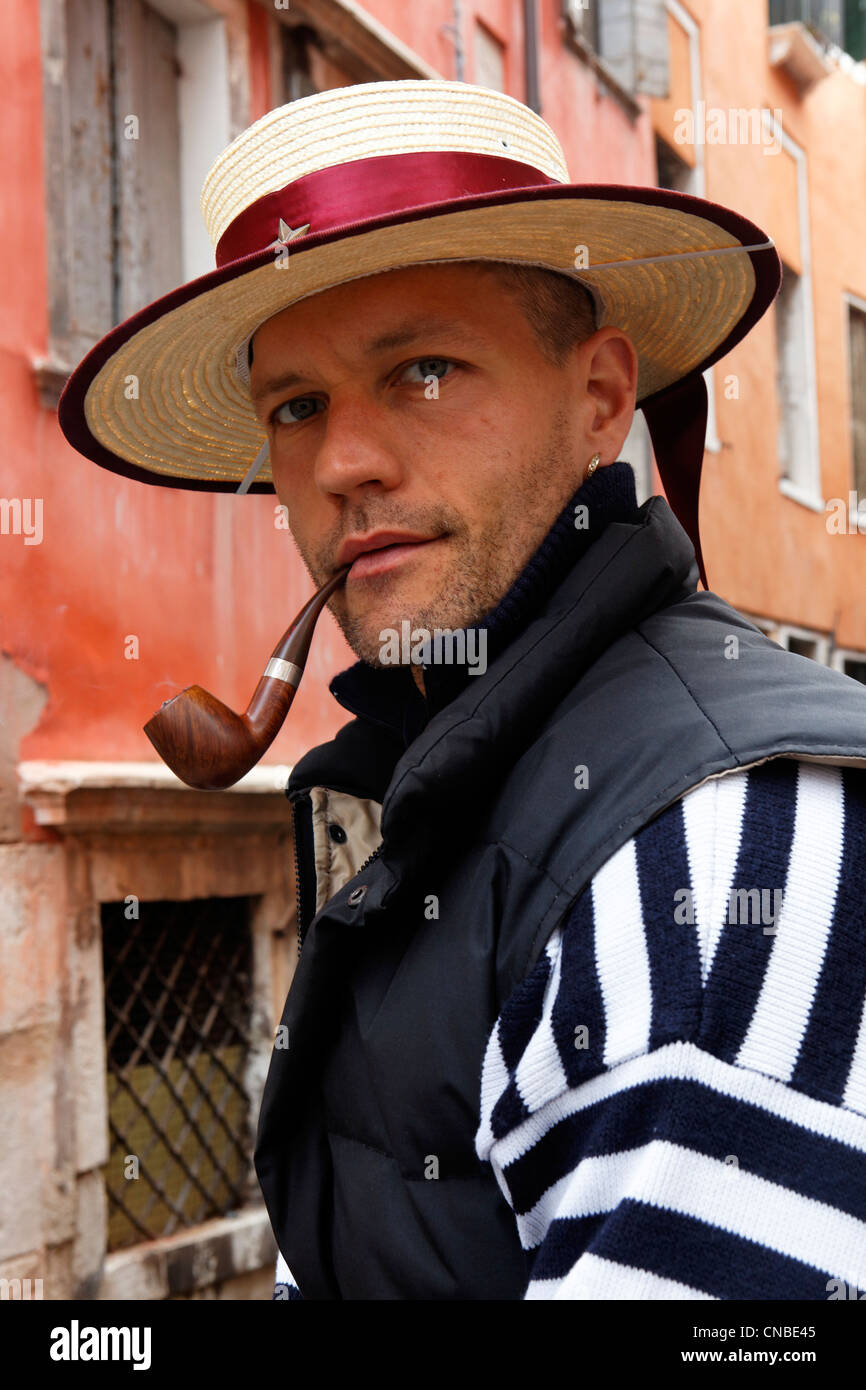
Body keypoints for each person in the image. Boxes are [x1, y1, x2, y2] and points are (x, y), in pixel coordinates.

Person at [59, 80, 866, 1301]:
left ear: (599, 397)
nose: (341, 464)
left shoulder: (715, 853)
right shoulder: (427, 781)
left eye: (424, 371)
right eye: (296, 406)